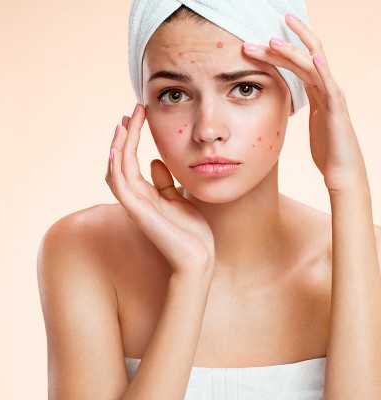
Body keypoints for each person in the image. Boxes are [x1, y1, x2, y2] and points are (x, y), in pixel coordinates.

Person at [37, 1, 381, 399]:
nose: (208, 130)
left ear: (295, 94)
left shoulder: (368, 255)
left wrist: (348, 186)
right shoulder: (84, 250)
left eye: (244, 88)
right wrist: (191, 278)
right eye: (175, 94)